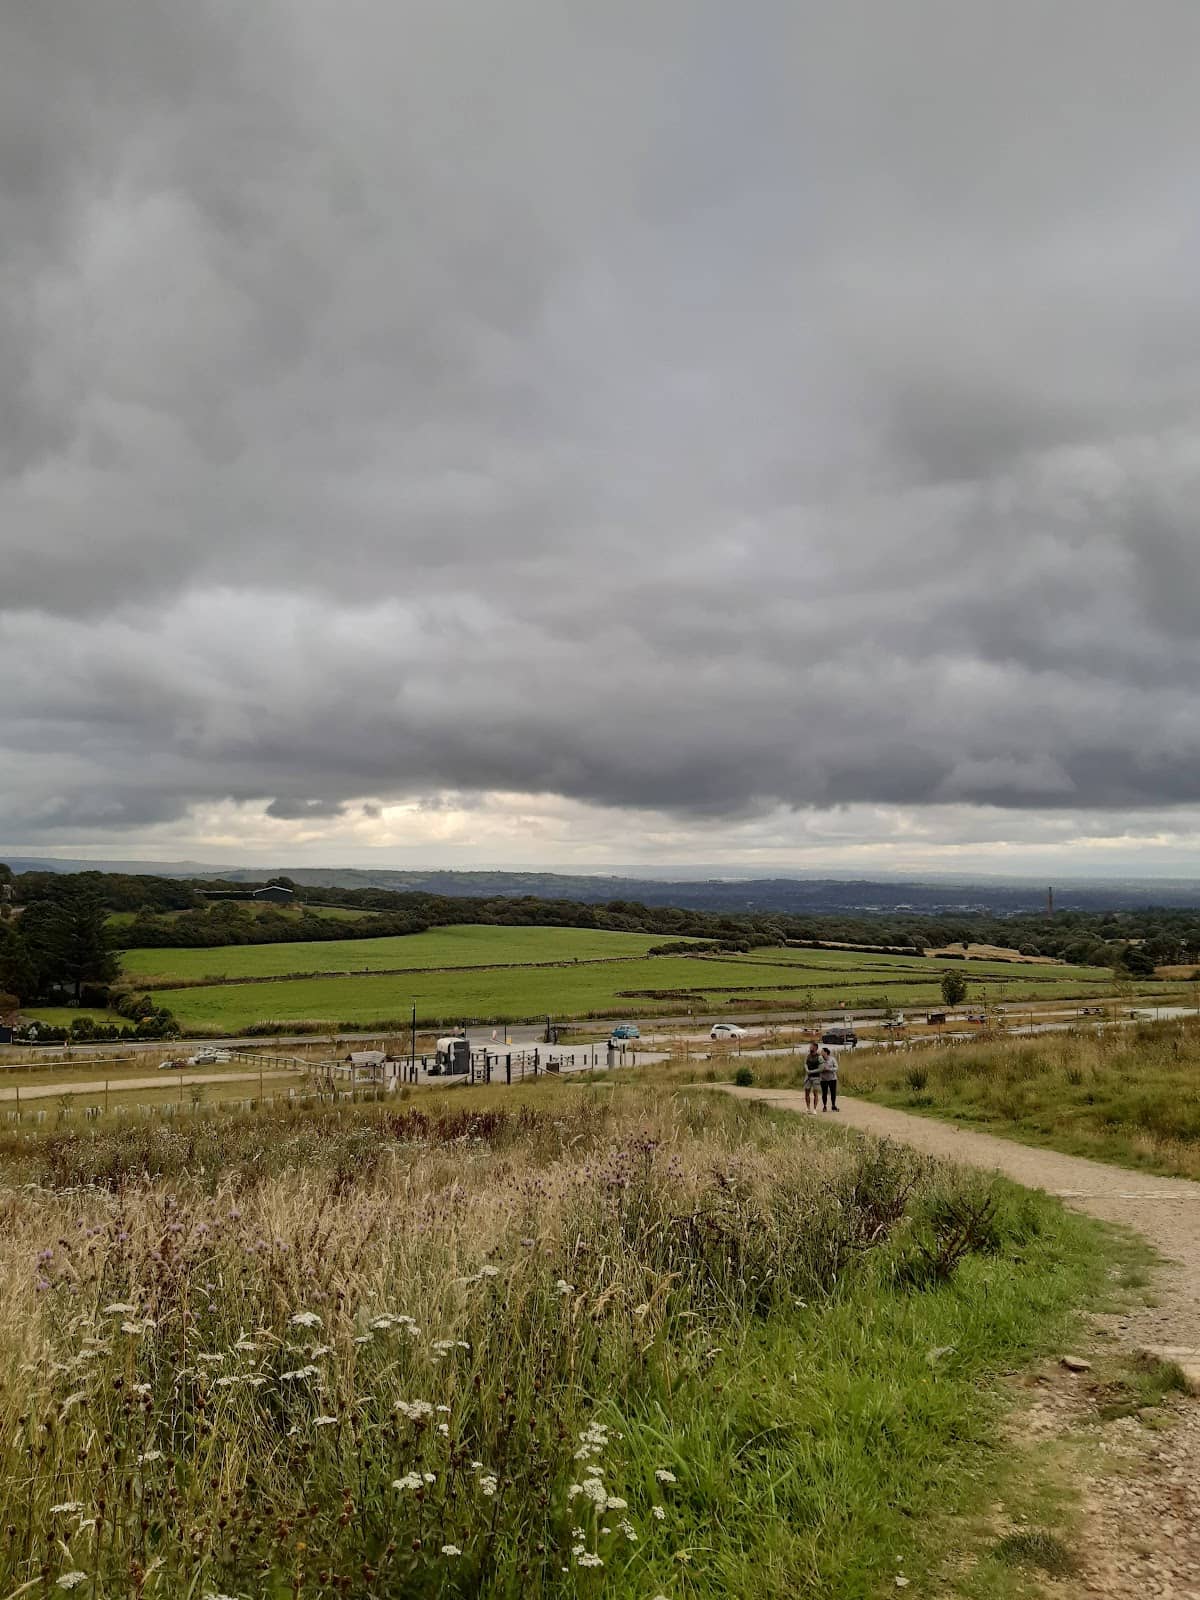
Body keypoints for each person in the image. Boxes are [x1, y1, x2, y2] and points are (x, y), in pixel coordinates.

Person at [803, 1041, 822, 1111]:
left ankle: (815, 1109)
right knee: (806, 1092)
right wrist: (807, 1069)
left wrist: (811, 1071)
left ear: (815, 1048)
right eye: (810, 1046)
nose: (810, 1048)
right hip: (808, 1077)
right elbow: (805, 1063)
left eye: (811, 1047)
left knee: (815, 1093)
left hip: (816, 1077)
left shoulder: (819, 1057)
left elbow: (821, 1068)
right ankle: (808, 1108)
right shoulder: (808, 1056)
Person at [819, 1045, 839, 1111]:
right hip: (823, 1079)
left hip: (832, 1079)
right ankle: (824, 1106)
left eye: (822, 1051)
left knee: (833, 1092)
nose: (821, 1052)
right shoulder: (819, 1059)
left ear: (826, 1052)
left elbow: (836, 1068)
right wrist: (821, 1069)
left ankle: (833, 1105)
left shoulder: (832, 1059)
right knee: (824, 1093)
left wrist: (829, 1069)